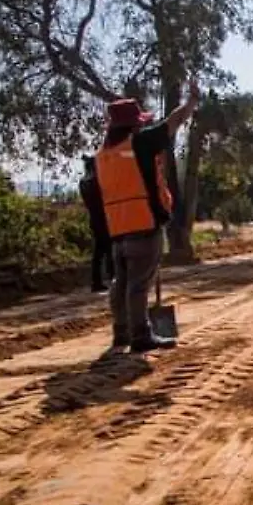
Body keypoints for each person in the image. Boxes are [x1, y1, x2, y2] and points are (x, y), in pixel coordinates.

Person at [95, 82, 200, 353]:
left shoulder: (103, 155)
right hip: (144, 223)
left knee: (121, 283)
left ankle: (121, 334)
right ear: (134, 125)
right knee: (139, 284)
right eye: (139, 123)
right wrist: (190, 103)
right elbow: (173, 121)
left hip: (117, 229)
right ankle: (141, 335)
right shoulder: (140, 142)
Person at [77, 156, 114, 293]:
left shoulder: (83, 182)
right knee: (110, 250)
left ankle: (96, 281)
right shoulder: (97, 181)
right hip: (104, 217)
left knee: (98, 251)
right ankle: (112, 277)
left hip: (94, 218)